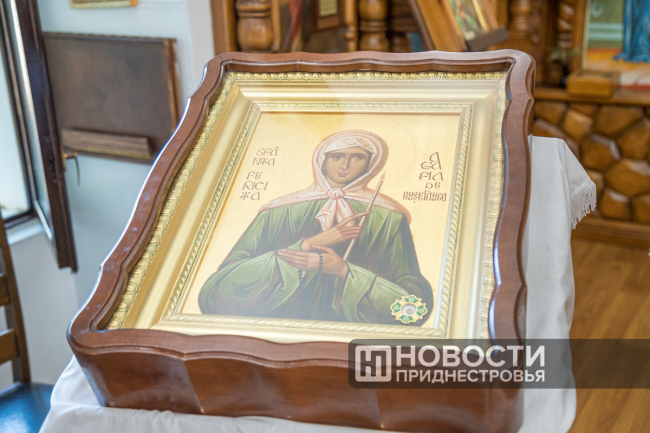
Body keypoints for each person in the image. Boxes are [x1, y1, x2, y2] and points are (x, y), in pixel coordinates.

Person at [198, 130, 433, 325]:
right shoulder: (277, 211)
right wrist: (305, 247)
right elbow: (218, 289)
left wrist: (344, 271)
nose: (345, 165)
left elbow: (413, 305)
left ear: (370, 165)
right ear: (322, 160)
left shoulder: (388, 217)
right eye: (336, 156)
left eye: (357, 157)